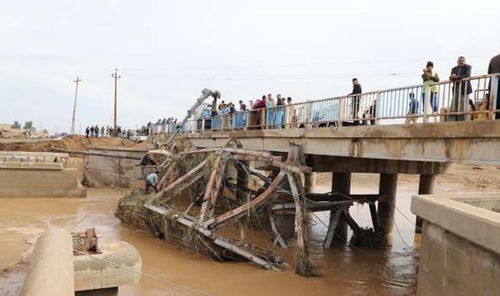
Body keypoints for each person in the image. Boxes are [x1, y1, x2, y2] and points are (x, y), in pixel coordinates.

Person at [449, 56, 472, 121]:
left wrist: (456, 77)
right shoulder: (454, 69)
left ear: (465, 61)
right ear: (457, 61)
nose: (461, 61)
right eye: (459, 60)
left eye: (462, 60)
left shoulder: (468, 67)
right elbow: (450, 78)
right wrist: (452, 77)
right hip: (456, 89)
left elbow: (467, 75)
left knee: (464, 105)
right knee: (454, 105)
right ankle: (453, 120)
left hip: (464, 89)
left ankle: (464, 120)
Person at [488, 54, 500, 119]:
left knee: (495, 101)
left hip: (494, 81)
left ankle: (494, 116)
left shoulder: (493, 59)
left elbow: (489, 72)